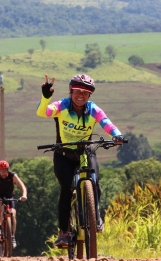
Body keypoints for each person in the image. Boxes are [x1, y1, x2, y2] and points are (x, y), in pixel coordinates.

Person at [36, 74, 124, 247]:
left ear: (90, 95)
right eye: (78, 91)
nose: (81, 95)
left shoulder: (93, 109)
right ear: (71, 91)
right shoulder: (62, 106)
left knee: (95, 182)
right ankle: (63, 233)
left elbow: (106, 123)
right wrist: (46, 97)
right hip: (63, 155)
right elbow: (42, 112)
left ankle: (95, 219)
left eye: (86, 93)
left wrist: (116, 135)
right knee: (66, 190)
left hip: (85, 152)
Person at [0, 160, 28, 249]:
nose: (3, 173)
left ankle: (12, 236)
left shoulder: (13, 176)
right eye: (1, 171)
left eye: (5, 170)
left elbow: (22, 186)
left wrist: (24, 195)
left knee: (13, 214)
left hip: (10, 196)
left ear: (8, 169)